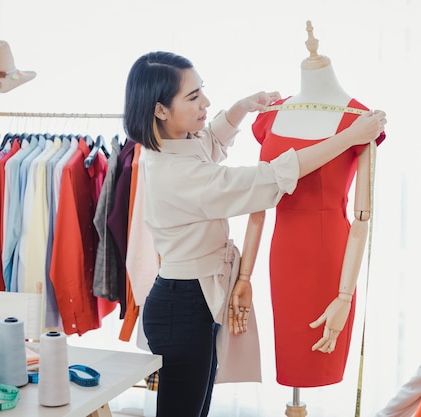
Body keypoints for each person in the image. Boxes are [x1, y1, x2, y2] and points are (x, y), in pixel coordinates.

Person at [123, 50, 386, 417]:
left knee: (193, 405)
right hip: (184, 304)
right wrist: (349, 137)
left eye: (203, 90)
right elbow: (264, 181)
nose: (206, 102)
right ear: (160, 110)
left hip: (193, 295)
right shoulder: (180, 175)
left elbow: (209, 142)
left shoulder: (171, 148)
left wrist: (241, 108)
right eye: (194, 96)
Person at [232, 20, 387, 400]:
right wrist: (244, 275)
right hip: (282, 256)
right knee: (289, 357)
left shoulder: (360, 121)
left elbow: (363, 220)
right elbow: (258, 202)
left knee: (318, 357)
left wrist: (345, 298)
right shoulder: (271, 115)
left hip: (329, 261)